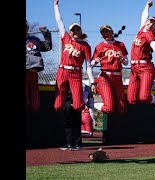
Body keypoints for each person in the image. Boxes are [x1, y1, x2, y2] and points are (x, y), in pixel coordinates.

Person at [54, 0, 95, 150]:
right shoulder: (66, 39)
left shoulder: (85, 45)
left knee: (77, 108)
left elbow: (89, 65)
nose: (74, 31)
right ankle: (68, 142)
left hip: (76, 74)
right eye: (73, 29)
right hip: (63, 71)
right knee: (62, 109)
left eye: (77, 29)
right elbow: (59, 21)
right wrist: (56, 6)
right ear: (70, 31)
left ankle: (77, 144)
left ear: (80, 30)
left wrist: (92, 82)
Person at [91, 24, 129, 116]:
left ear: (112, 32)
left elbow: (126, 62)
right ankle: (91, 104)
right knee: (109, 108)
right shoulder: (99, 46)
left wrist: (122, 59)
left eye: (107, 31)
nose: (105, 33)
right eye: (103, 32)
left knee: (122, 108)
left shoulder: (120, 44)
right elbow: (91, 64)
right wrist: (95, 62)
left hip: (118, 77)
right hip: (105, 77)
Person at [26, 20, 52, 112]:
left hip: (33, 73)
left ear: (27, 28)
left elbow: (47, 47)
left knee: (36, 104)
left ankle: (32, 124)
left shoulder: (35, 40)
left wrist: (46, 34)